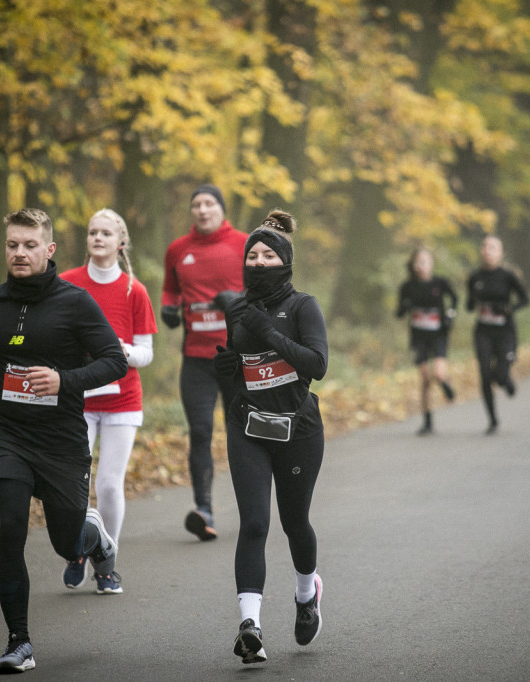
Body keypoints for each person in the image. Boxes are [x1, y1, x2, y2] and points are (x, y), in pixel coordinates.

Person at [0, 208, 128, 673]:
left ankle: (95, 541)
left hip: (63, 438)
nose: (19, 253)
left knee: (67, 543)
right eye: (12, 245)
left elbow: (113, 362)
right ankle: (18, 642)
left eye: (29, 246)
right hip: (9, 434)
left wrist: (64, 380)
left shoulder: (76, 302)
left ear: (48, 250)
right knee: (10, 531)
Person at [211, 210, 327, 665]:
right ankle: (250, 627)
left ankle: (306, 593)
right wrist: (229, 373)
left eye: (268, 255)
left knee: (293, 522)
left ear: (285, 261)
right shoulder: (235, 308)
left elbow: (316, 366)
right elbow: (240, 372)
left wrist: (266, 332)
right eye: (252, 256)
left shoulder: (303, 307)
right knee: (255, 524)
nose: (259, 262)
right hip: (248, 427)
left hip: (297, 428)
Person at [59, 209, 157, 593]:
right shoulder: (67, 284)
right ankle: (76, 551)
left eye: (105, 233)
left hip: (122, 399)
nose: (97, 238)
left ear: (121, 242)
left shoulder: (135, 290)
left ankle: (105, 560)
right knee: (73, 484)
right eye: (92, 232)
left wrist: (120, 351)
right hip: (75, 399)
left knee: (110, 485)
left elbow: (147, 353)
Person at [161, 184, 249, 541]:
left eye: (209, 203)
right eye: (196, 204)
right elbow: (171, 289)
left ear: (221, 209)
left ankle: (250, 507)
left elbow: (265, 289)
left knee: (240, 433)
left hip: (237, 357)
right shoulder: (178, 250)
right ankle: (204, 510)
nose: (202, 209)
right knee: (199, 432)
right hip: (196, 358)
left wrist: (238, 300)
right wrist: (168, 308)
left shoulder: (243, 244)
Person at [465, 236, 529, 435]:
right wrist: (474, 300)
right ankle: (492, 420)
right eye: (484, 247)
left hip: (505, 331)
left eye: (493, 248)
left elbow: (525, 300)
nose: (488, 251)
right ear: (481, 252)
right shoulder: (475, 277)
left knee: (500, 373)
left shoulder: (508, 276)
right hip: (483, 331)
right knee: (484, 375)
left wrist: (508, 309)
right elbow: (468, 306)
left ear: (501, 253)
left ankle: (506, 381)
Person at [396, 246, 458, 436]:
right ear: (413, 265)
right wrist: (405, 307)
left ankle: (446, 385)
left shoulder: (441, 283)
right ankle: (427, 421)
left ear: (431, 264)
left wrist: (449, 316)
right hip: (418, 337)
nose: (420, 265)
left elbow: (454, 299)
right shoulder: (407, 286)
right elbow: (399, 313)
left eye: (424, 262)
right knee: (424, 378)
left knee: (438, 374)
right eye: (417, 262)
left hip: (438, 334)